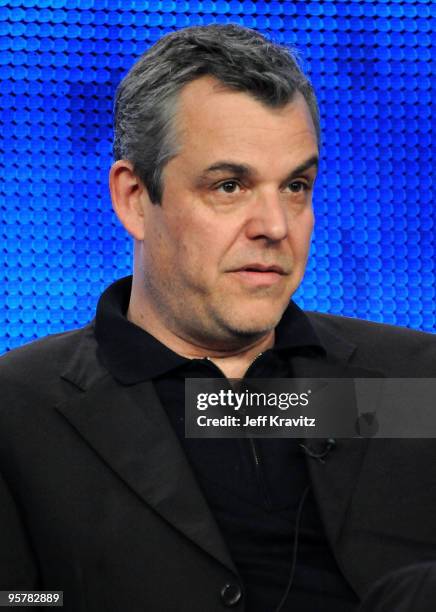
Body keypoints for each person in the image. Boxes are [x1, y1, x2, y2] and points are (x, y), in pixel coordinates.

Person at [1, 24, 436, 612]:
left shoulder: (416, 383)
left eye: (296, 186)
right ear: (134, 198)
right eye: (230, 185)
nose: (275, 226)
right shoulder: (19, 410)